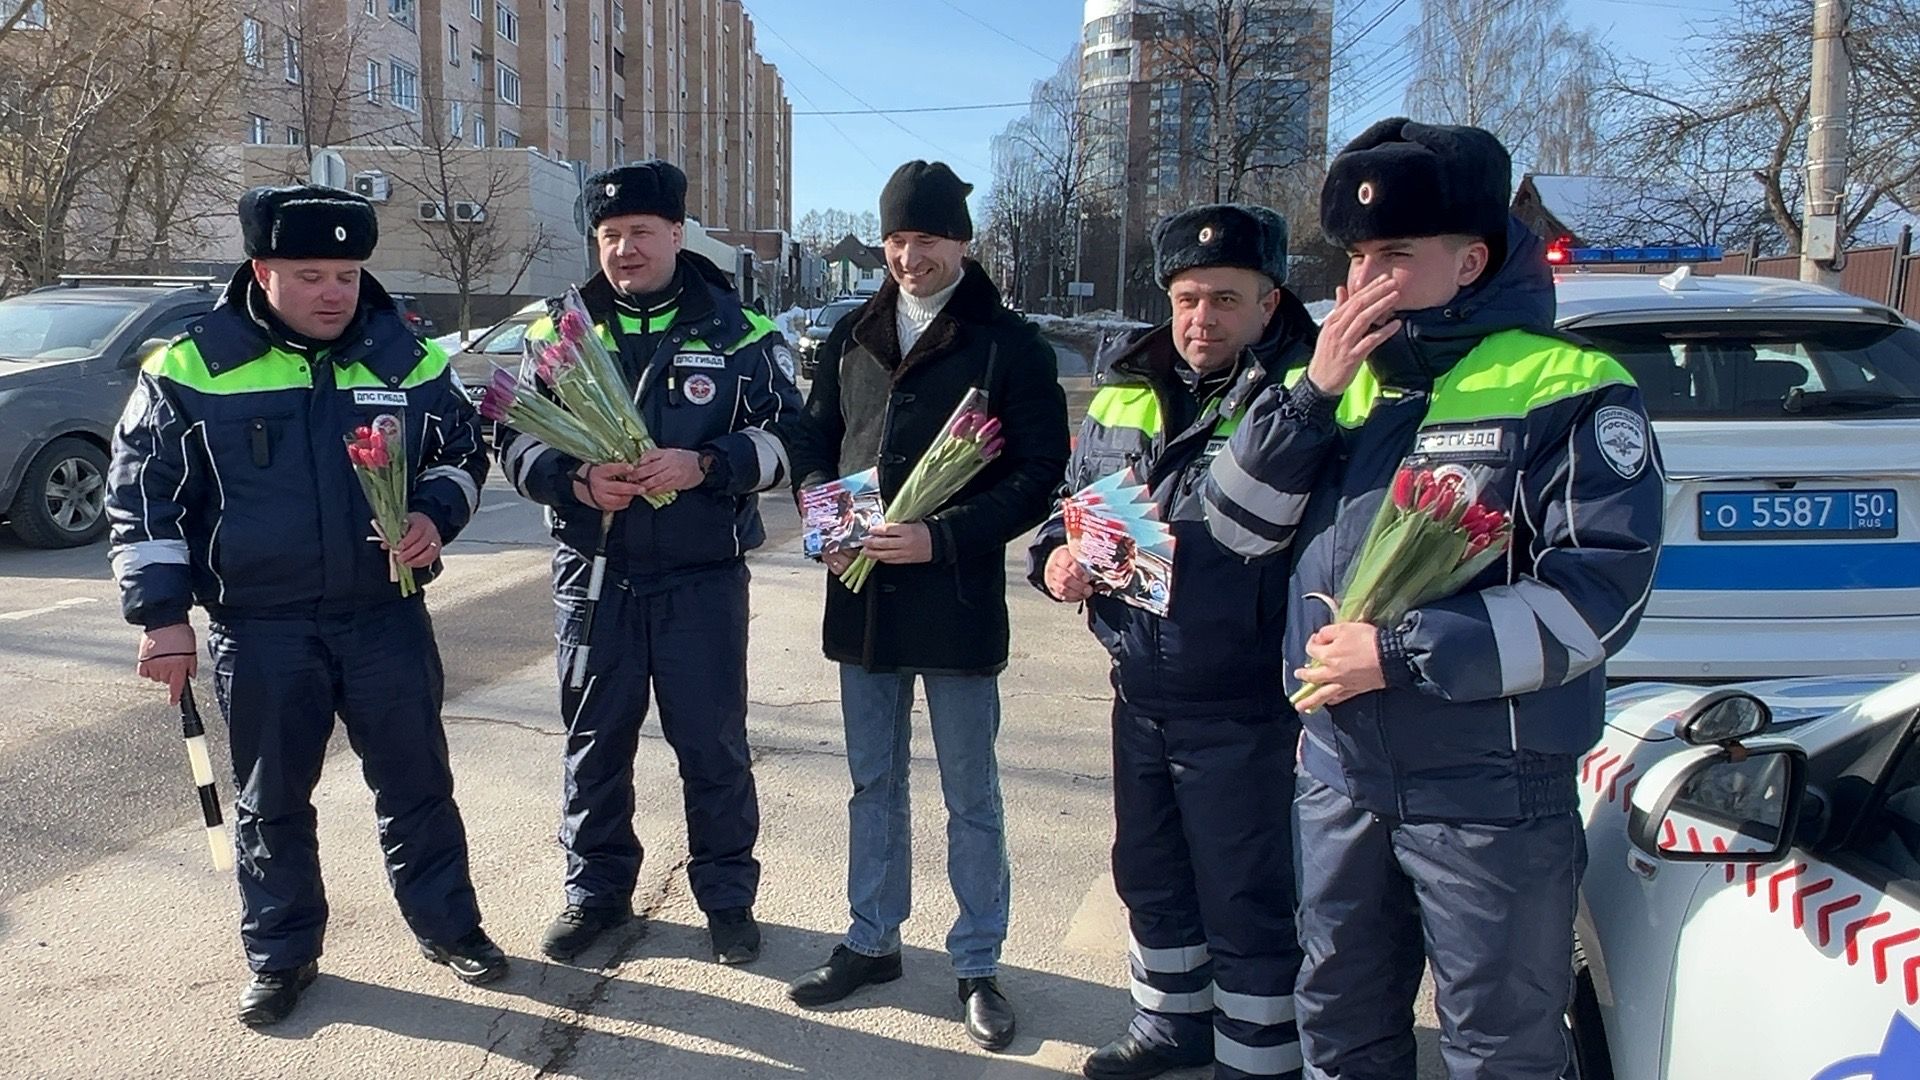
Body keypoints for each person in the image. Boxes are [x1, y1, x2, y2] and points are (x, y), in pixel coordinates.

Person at [1200, 119, 1665, 1080]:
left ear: (1472, 260)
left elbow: (1597, 591)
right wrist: (1313, 392)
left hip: (1491, 789)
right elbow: (1237, 527)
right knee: (1341, 1028)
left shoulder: (1569, 385)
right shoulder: (1336, 379)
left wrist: (1404, 652)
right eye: (1359, 255)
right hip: (1340, 776)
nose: (1366, 280)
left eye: (1396, 256)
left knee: (1502, 1047)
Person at [106, 185, 502, 1027]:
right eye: (309, 273)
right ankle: (282, 953)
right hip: (262, 628)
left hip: (384, 618)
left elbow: (465, 449)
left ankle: (450, 927)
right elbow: (144, 500)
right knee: (271, 799)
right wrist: (163, 619)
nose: (333, 292)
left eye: (348, 274)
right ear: (261, 270)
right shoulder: (190, 366)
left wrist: (436, 512)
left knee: (418, 784)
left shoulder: (407, 360)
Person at [781, 160, 1069, 1052]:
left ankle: (978, 961)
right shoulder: (850, 334)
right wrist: (816, 501)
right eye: (898, 240)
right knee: (873, 782)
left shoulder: (1007, 343)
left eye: (928, 240)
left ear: (962, 243)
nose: (910, 257)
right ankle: (873, 940)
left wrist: (943, 537)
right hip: (862, 599)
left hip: (952, 598)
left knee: (970, 791)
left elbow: (1035, 475)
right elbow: (814, 434)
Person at [1031, 204, 1313, 1080]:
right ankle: (1168, 1022)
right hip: (1141, 686)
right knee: (1149, 871)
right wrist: (1058, 560)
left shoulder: (1305, 391)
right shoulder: (1122, 388)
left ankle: (1259, 1053)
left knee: (1246, 889)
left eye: (1226, 299)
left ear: (1270, 303)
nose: (1202, 319)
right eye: (1188, 297)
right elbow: (1066, 507)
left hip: (1250, 696)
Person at [495, 161, 800, 968]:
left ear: (675, 233)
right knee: (595, 742)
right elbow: (515, 440)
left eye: (639, 232)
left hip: (701, 578)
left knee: (711, 745)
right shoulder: (558, 334)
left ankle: (728, 900)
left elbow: (792, 442)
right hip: (594, 575)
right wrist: (576, 481)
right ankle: (595, 895)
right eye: (609, 236)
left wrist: (710, 464)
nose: (625, 250)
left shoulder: (743, 335)